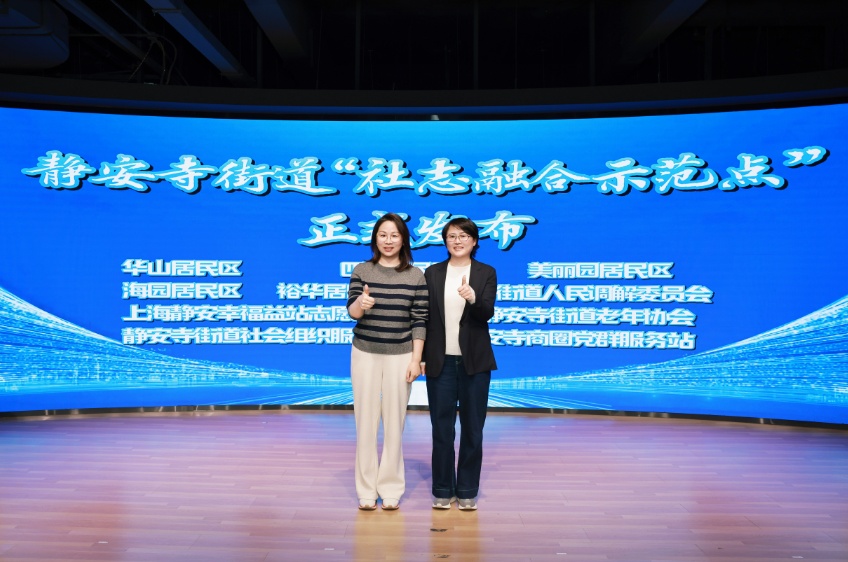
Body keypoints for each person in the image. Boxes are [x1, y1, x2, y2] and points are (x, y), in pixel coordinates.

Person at [346, 212, 428, 511]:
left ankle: (391, 487)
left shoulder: (415, 275)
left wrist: (416, 359)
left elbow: (420, 319)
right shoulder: (362, 270)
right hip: (365, 352)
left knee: (395, 423)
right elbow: (352, 312)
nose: (388, 240)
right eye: (383, 235)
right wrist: (361, 303)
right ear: (375, 239)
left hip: (401, 355)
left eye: (394, 235)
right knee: (365, 422)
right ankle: (366, 490)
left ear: (403, 239)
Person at [422, 217, 497, 511]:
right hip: (440, 361)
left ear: (474, 241)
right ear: (445, 241)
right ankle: (443, 489)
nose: (457, 241)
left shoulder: (485, 272)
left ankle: (467, 489)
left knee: (473, 428)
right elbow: (425, 318)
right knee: (441, 429)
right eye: (452, 236)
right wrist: (423, 356)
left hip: (474, 362)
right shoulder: (432, 273)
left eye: (464, 236)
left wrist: (473, 298)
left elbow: (486, 313)